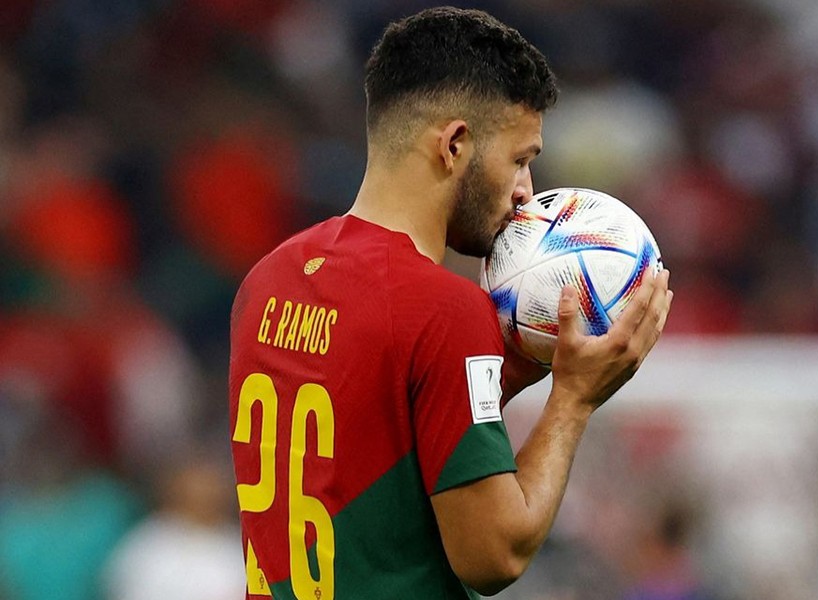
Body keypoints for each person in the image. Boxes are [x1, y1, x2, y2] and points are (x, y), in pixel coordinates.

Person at [228, 6, 672, 600]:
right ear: (455, 144)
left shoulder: (269, 279)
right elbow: (494, 555)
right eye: (520, 160)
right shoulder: (444, 309)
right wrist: (573, 399)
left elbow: (372, 453)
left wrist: (506, 376)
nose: (526, 193)